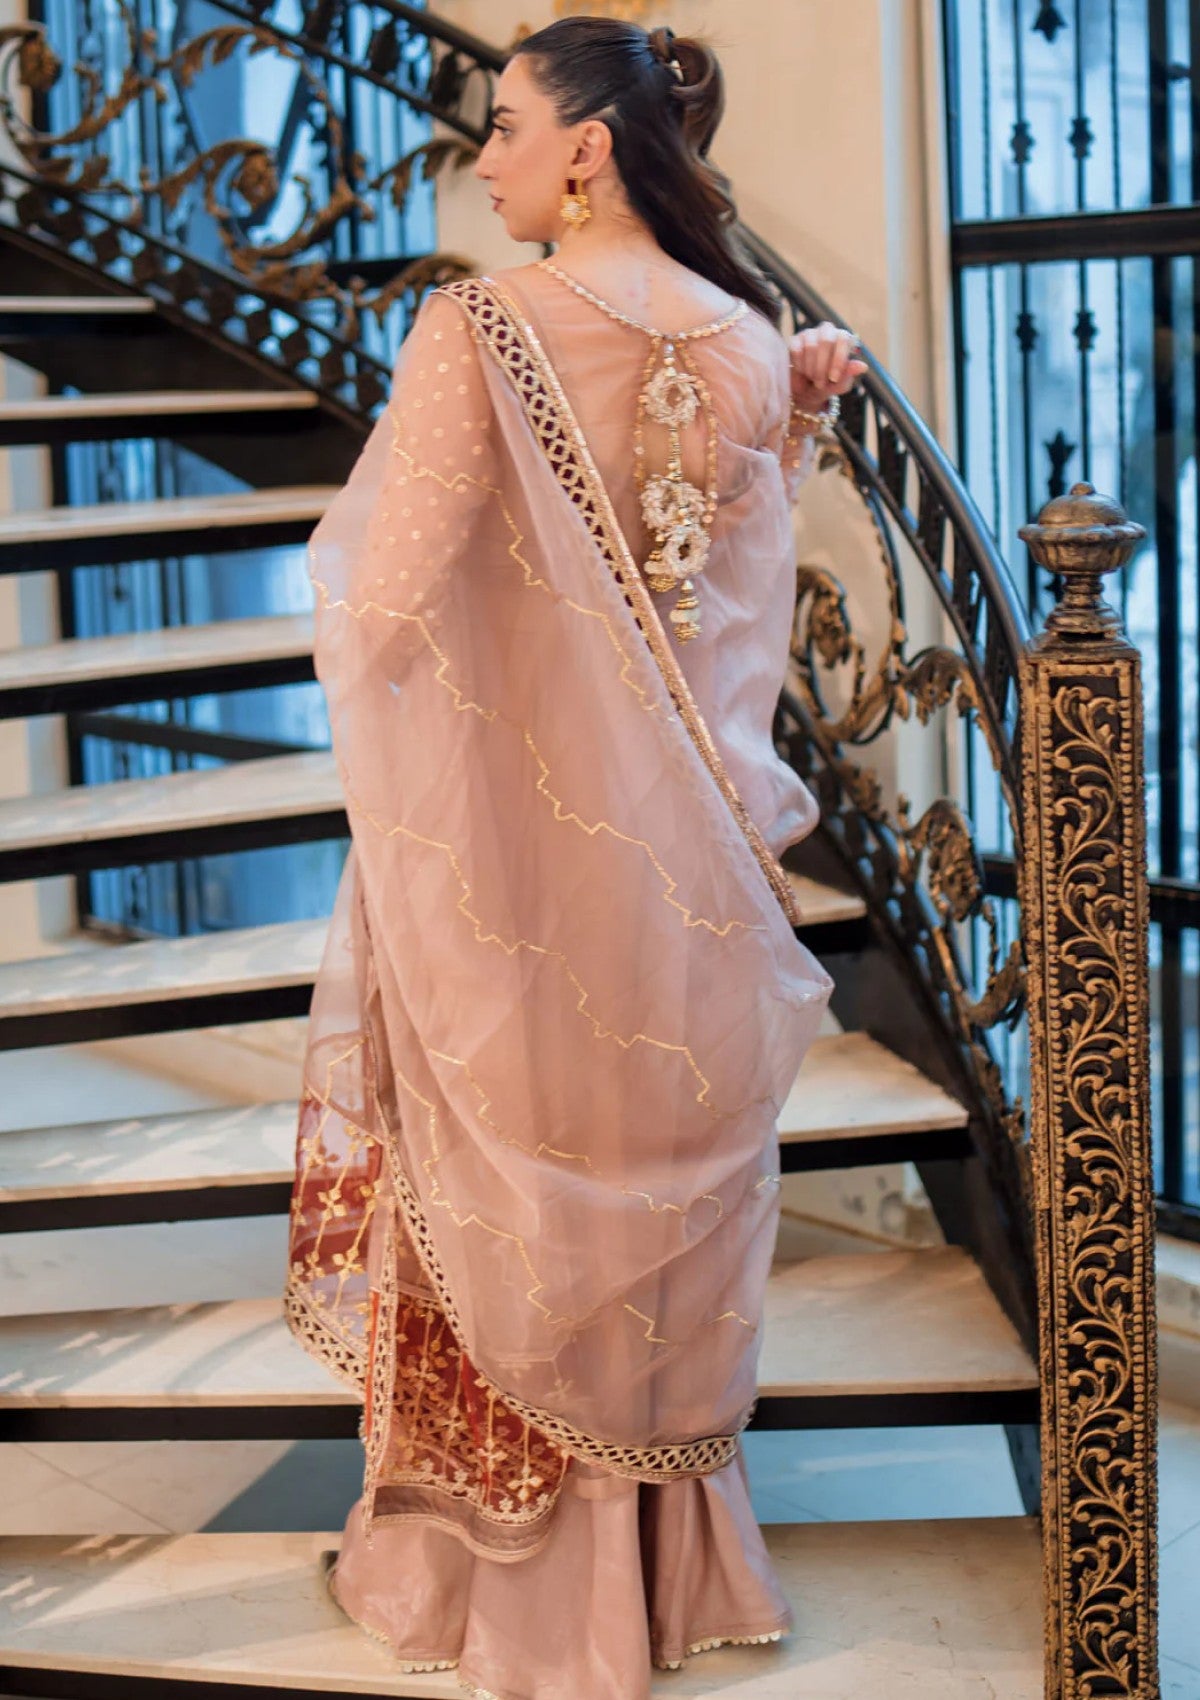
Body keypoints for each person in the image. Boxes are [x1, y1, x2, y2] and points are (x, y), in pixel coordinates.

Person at [285, 15, 865, 1699]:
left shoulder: (481, 329)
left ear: (589, 148)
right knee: (651, 1190)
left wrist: (422, 752)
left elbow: (387, 604)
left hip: (524, 862)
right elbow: (728, 615)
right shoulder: (746, 339)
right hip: (696, 859)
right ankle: (677, 1576)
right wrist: (793, 420)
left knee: (510, 1191)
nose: (488, 160)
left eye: (507, 126)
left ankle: (510, 1592)